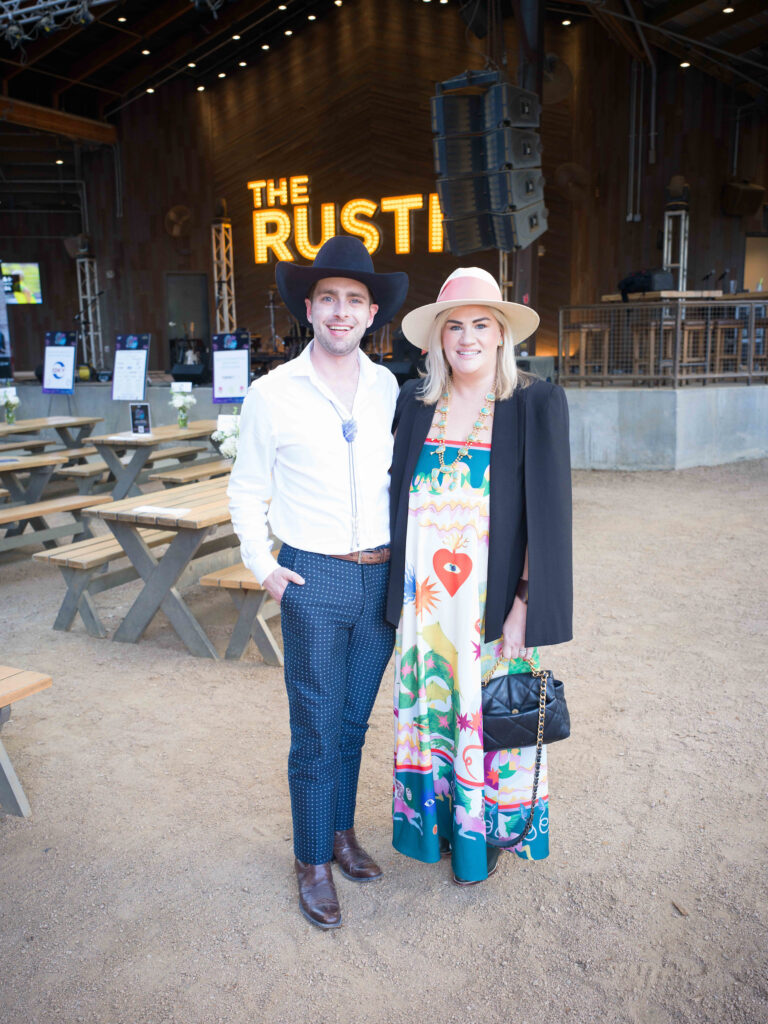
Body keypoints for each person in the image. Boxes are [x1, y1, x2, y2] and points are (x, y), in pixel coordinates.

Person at [227, 236, 408, 928]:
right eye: (327, 298)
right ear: (308, 308)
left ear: (372, 313)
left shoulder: (388, 387)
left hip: (381, 577)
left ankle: (340, 833)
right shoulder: (272, 392)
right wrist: (264, 568)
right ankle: (310, 860)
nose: (340, 311)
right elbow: (246, 489)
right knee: (315, 727)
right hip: (314, 577)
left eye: (353, 300)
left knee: (353, 722)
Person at [385, 267, 572, 885]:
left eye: (480, 325)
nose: (467, 338)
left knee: (490, 716)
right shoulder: (415, 405)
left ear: (500, 335)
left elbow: (547, 518)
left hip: (491, 607)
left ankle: (482, 833)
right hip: (426, 605)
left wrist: (524, 606)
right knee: (434, 713)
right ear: (438, 338)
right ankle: (439, 820)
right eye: (454, 326)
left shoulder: (534, 404)